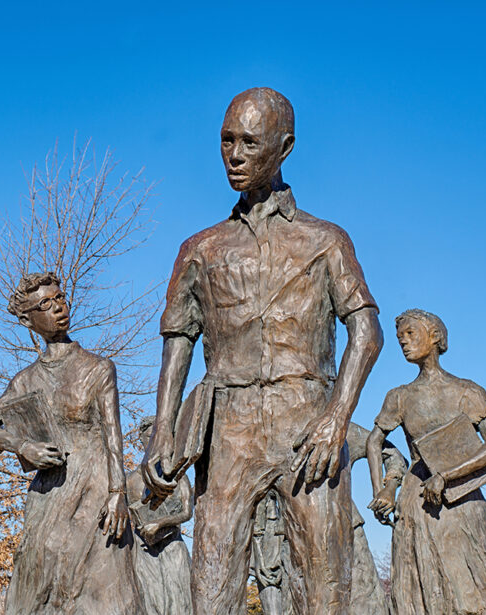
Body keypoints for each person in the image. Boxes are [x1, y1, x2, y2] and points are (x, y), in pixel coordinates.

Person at [141, 87, 384, 614]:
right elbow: (178, 339)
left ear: (285, 147)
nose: (234, 154)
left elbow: (366, 330)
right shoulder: (200, 249)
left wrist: (337, 418)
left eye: (250, 142)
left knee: (325, 585)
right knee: (212, 581)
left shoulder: (326, 240)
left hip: (308, 423)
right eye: (226, 140)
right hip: (228, 425)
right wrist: (163, 428)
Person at [0, 272, 141, 615]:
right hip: (50, 497)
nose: (59, 308)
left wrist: (118, 494)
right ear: (27, 319)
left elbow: (114, 436)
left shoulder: (98, 368)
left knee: (106, 594)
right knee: (37, 588)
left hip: (96, 492)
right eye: (46, 304)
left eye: (61, 298)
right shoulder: (25, 381)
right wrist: (23, 446)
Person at [367, 309, 486, 615]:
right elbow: (373, 441)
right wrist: (383, 491)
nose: (403, 343)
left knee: (472, 589)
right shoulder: (399, 397)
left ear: (434, 337)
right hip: (417, 500)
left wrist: (445, 475)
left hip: (462, 500)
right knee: (419, 589)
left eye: (410, 334)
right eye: (399, 338)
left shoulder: (468, 391)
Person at [251, 422, 407, 615]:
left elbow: (391, 453)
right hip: (291, 541)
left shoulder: (334, 427)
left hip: (344, 534)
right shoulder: (265, 433)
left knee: (364, 606)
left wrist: (388, 488)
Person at [126, 416, 193, 615]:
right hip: (142, 549)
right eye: (150, 436)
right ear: (141, 439)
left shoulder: (176, 474)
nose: (155, 441)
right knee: (148, 602)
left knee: (181, 603)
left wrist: (159, 523)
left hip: (172, 545)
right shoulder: (128, 480)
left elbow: (187, 512)